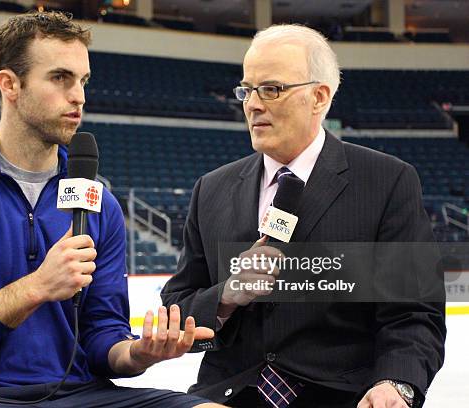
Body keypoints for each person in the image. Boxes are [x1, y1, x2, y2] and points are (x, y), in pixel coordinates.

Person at [0, 11, 223, 408]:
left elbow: (102, 335)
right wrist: (36, 287)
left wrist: (138, 354)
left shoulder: (100, 203)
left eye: (83, 81)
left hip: (81, 393)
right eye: (60, 78)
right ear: (9, 85)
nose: (79, 96)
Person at [161, 24, 445, 408]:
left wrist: (396, 384)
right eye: (247, 90)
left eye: (272, 89)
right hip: (226, 396)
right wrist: (226, 296)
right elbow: (177, 304)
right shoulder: (211, 189)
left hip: (343, 397)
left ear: (319, 97)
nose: (252, 104)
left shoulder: (387, 181)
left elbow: (413, 314)